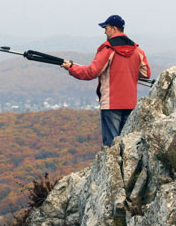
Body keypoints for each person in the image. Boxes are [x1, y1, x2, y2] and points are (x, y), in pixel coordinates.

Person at [61, 15, 151, 146]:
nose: (104, 31)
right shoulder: (137, 50)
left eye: (106, 28)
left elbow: (91, 72)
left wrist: (71, 67)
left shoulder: (108, 49)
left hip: (111, 103)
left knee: (111, 146)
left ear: (114, 29)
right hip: (130, 102)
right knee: (127, 144)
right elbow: (146, 73)